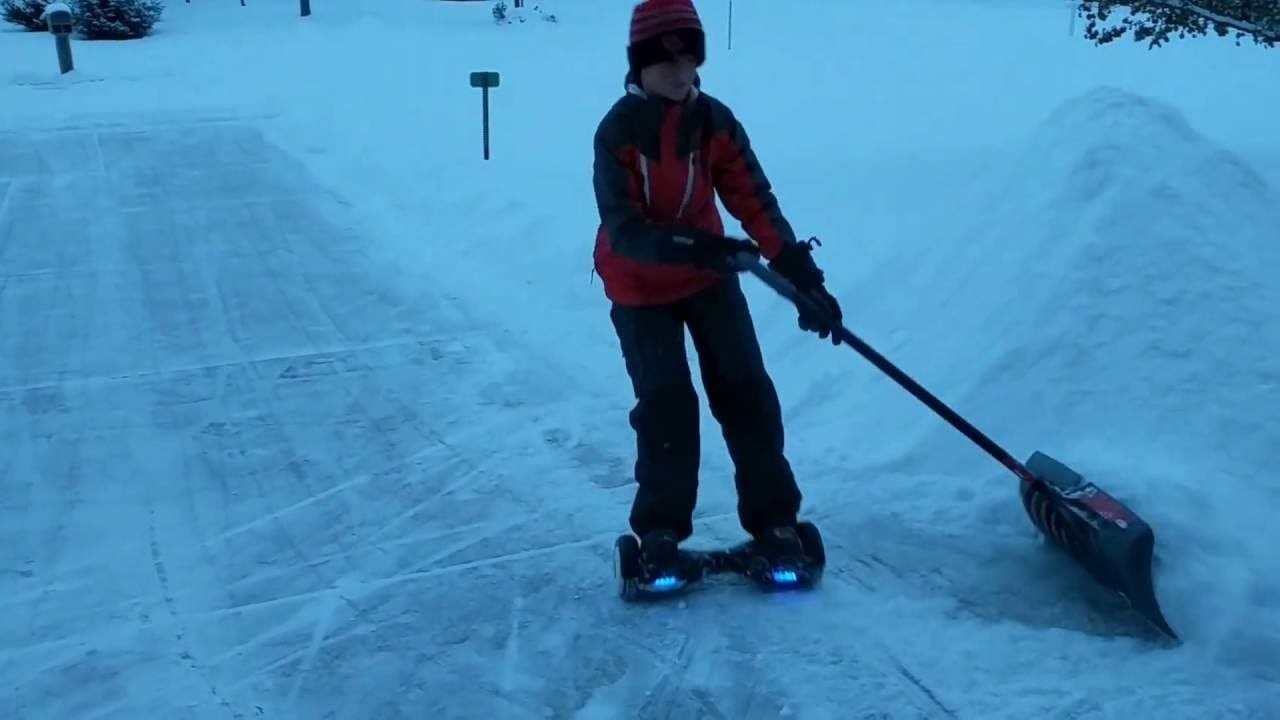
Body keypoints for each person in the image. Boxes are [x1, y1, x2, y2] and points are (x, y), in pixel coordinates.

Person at [591, 0, 844, 579]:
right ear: (639, 66)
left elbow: (753, 198)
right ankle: (658, 532)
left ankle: (775, 522)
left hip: (709, 276)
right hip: (639, 286)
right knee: (667, 405)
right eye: (665, 62)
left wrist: (804, 279)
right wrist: (701, 247)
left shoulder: (715, 122)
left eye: (690, 60)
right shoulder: (618, 133)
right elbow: (624, 229)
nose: (681, 75)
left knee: (746, 389)